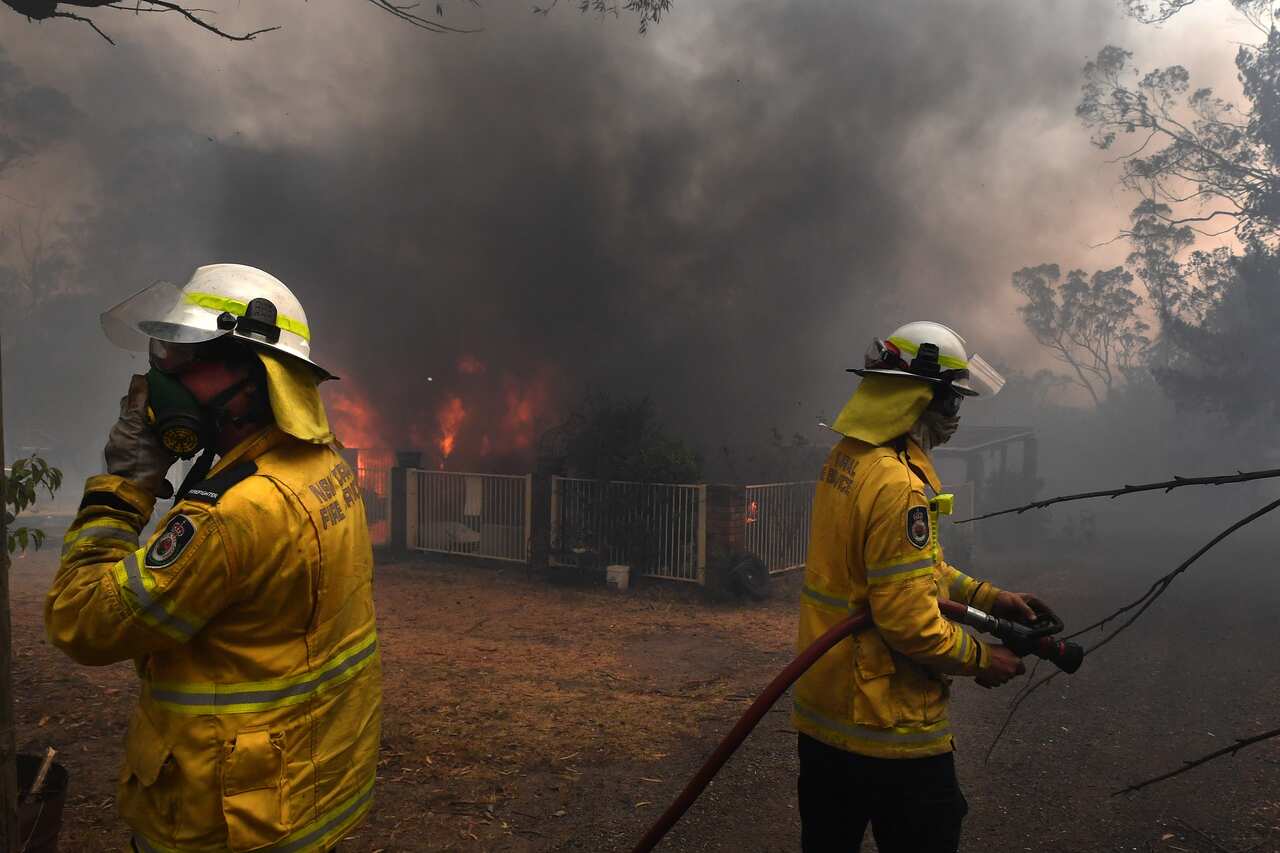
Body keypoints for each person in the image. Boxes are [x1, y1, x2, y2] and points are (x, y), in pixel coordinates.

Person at [45, 264, 381, 853]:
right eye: (163, 351)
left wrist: (124, 488)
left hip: (224, 822)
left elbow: (81, 622)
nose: (160, 376)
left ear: (253, 378)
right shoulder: (323, 467)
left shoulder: (229, 515)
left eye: (185, 359)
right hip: (307, 790)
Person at [793, 321, 1041, 853]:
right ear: (921, 399)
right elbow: (909, 621)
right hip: (889, 728)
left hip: (825, 719)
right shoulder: (899, 485)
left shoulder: (849, 459)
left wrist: (988, 598)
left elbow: (908, 573)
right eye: (952, 400)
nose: (954, 416)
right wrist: (983, 660)